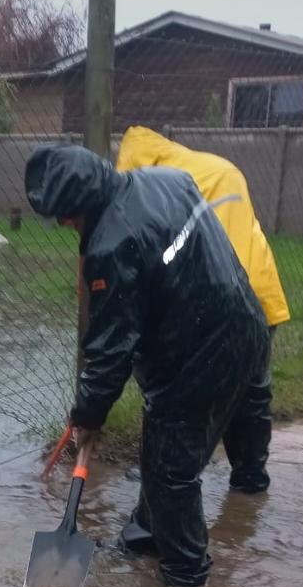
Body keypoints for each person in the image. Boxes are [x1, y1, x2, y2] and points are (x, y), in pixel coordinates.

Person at [25, 143, 269, 587]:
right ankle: (149, 535)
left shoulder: (111, 245)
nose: (63, 224)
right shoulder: (166, 180)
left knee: (170, 470)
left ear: (81, 204)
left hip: (198, 353)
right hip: (246, 322)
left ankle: (185, 582)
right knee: (168, 449)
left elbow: (111, 348)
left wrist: (87, 415)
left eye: (65, 215)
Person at [116, 125, 290, 494]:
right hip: (260, 293)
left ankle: (173, 474)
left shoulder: (157, 189)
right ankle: (250, 479)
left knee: (181, 397)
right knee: (251, 388)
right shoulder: (219, 167)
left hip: (215, 304)